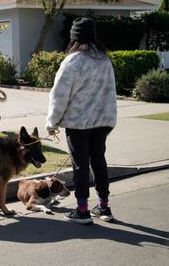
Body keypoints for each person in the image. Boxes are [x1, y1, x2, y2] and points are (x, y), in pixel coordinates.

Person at [46, 17, 117, 224]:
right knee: (99, 161)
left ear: (74, 38)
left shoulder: (73, 61)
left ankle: (82, 210)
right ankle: (104, 207)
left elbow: (59, 95)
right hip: (102, 121)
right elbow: (110, 92)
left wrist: (52, 123)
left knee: (81, 165)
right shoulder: (105, 60)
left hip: (78, 123)